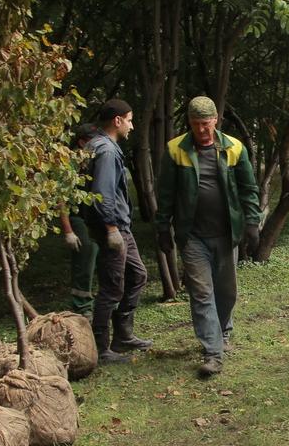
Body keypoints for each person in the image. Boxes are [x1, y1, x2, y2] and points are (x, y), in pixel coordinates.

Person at [157, 96, 261, 378]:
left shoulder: (233, 148)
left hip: (226, 234)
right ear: (189, 123)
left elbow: (248, 188)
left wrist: (252, 222)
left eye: (206, 123)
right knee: (202, 293)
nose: (201, 130)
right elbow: (165, 193)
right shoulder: (176, 150)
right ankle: (212, 353)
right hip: (193, 236)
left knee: (226, 292)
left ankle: (223, 331)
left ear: (216, 120)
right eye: (195, 124)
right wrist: (162, 227)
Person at [84, 99, 153, 365]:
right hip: (112, 228)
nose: (132, 126)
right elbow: (102, 193)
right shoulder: (107, 151)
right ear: (117, 121)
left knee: (137, 274)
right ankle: (100, 348)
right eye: (130, 119)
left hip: (120, 226)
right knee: (112, 288)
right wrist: (111, 229)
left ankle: (123, 335)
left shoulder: (99, 145)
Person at [60, 123, 100, 317]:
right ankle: (82, 307)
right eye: (91, 140)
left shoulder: (95, 159)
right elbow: (61, 199)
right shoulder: (70, 163)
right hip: (78, 218)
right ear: (82, 141)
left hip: (96, 217)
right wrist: (68, 231)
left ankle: (100, 303)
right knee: (85, 258)